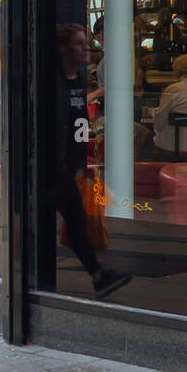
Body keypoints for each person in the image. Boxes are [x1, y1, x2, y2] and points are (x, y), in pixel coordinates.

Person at [52, 23, 131, 299]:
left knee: (75, 220)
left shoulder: (76, 79)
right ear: (63, 49)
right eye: (79, 44)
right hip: (51, 168)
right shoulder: (53, 81)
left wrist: (80, 164)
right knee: (75, 219)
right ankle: (97, 275)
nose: (87, 48)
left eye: (86, 43)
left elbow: (76, 123)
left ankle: (98, 275)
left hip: (65, 167)